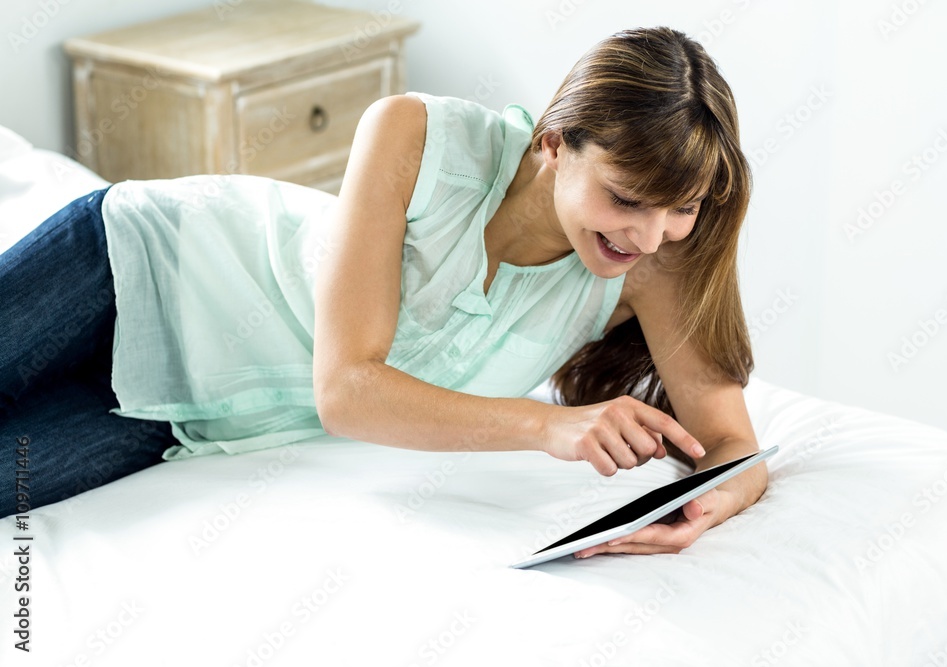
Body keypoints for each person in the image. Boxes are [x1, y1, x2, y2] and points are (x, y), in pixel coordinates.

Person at [0, 26, 765, 560]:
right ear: (554, 143)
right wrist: (547, 426)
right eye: (626, 198)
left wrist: (693, 512)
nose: (652, 234)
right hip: (140, 260)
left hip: (191, 406)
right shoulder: (414, 133)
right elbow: (346, 392)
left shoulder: (651, 263)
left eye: (683, 208)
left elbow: (737, 449)